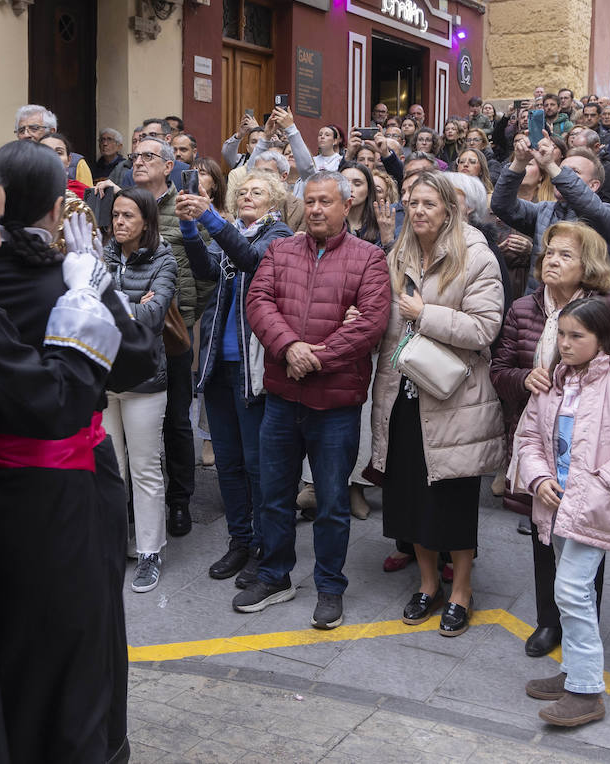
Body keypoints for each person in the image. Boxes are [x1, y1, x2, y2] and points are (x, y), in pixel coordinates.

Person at [0, 141, 146, 764]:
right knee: (82, 631)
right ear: (52, 208)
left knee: (7, 631)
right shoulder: (61, 280)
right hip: (65, 485)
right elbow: (140, 360)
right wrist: (101, 285)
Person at [239, 170, 391, 630]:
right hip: (283, 399)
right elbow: (258, 302)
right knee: (274, 496)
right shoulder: (281, 250)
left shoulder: (369, 258)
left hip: (336, 406)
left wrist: (316, 358)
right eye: (310, 202)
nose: (316, 210)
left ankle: (329, 586)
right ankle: (274, 575)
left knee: (330, 502)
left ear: (347, 206)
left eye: (326, 201)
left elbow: (369, 323)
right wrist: (289, 347)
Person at [491, 222, 610, 657]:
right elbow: (499, 369)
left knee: (584, 534)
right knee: (542, 529)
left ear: (589, 266)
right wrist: (527, 379)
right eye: (550, 252)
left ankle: (583, 625)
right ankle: (549, 620)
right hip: (536, 438)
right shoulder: (524, 308)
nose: (552, 261)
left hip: (591, 442)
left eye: (565, 255)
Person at [518, 297, 610, 727]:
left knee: (570, 591)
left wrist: (603, 481)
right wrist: (538, 479)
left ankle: (586, 692)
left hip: (594, 509)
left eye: (575, 336)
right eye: (561, 335)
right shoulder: (552, 382)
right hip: (557, 507)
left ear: (601, 339)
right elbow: (529, 437)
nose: (564, 344)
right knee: (569, 592)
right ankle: (574, 673)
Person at [372, 171, 505, 637]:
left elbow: (485, 328)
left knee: (452, 502)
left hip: (455, 399)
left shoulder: (476, 255)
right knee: (410, 499)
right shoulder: (399, 253)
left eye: (429, 202)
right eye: (413, 202)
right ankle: (427, 586)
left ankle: (462, 591)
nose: (419, 210)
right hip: (404, 395)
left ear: (450, 207)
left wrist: (424, 314)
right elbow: (385, 323)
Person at [177, 171, 293, 586]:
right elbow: (207, 269)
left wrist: (209, 218)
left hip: (252, 367)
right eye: (241, 191)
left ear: (275, 200)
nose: (246, 196)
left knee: (256, 463)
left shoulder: (279, 233)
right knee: (227, 461)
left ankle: (263, 546)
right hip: (218, 363)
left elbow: (250, 259)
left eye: (256, 191)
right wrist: (190, 226)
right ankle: (239, 541)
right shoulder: (234, 231)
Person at [101, 187, 177, 593]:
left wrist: (108, 301)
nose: (119, 223)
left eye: (128, 216)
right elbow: (82, 302)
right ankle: (113, 544)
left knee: (145, 468)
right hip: (104, 376)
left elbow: (151, 316)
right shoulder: (104, 254)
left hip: (144, 380)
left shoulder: (164, 259)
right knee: (110, 468)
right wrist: (127, 303)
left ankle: (149, 551)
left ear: (146, 221)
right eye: (115, 215)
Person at [128, 135, 200, 537]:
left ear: (168, 165)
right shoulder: (124, 203)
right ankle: (138, 499)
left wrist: (188, 312)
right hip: (131, 326)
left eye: (148, 156)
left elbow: (204, 269)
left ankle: (179, 501)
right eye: (135, 156)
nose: (139, 162)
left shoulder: (184, 206)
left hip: (173, 327)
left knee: (175, 417)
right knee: (135, 415)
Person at [491, 139, 610, 267]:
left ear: (593, 185)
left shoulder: (608, 214)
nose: (558, 176)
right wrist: (519, 163)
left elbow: (591, 208)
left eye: (573, 172)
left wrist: (550, 165)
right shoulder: (544, 210)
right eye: (561, 170)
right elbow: (502, 205)